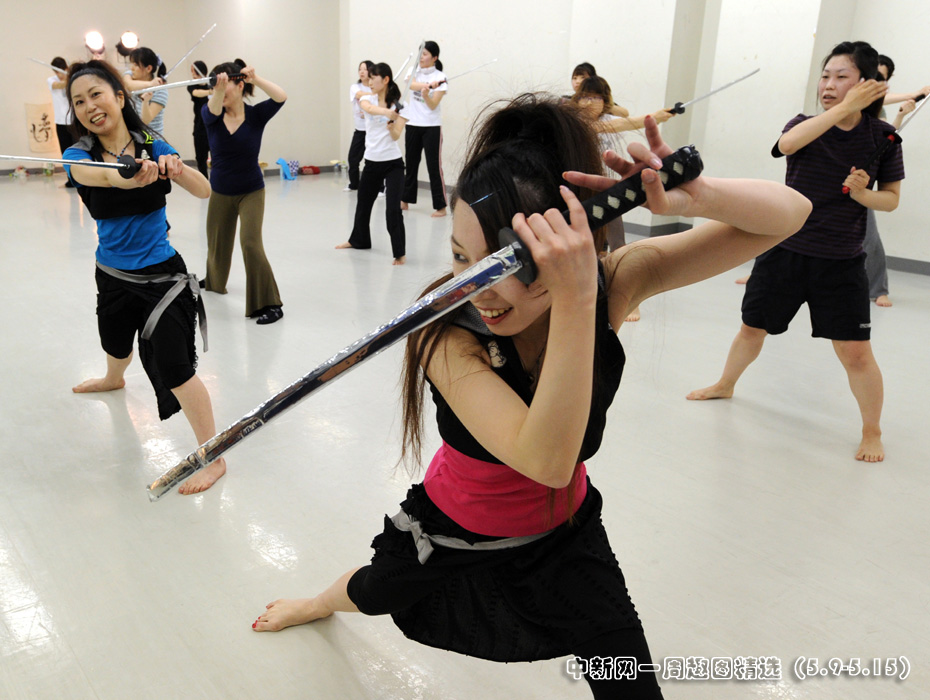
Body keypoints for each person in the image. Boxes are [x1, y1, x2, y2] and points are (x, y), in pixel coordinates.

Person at [253, 94, 811, 698]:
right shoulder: (447, 336)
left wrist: (699, 199)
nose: (480, 289)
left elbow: (791, 214)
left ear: (570, 249)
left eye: (508, 265)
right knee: (373, 590)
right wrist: (574, 297)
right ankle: (317, 602)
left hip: (565, 533)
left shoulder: (608, 283)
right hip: (455, 531)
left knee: (629, 682)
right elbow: (543, 459)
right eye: (463, 258)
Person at [688, 41, 902, 464]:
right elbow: (786, 145)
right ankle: (725, 384)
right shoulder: (806, 125)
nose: (828, 84)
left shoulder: (884, 138)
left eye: (841, 77)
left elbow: (891, 199)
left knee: (856, 354)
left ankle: (872, 431)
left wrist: (863, 195)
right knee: (752, 329)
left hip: (841, 262)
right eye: (825, 76)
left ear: (865, 83)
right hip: (783, 249)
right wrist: (843, 109)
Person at [61, 59, 225, 495]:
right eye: (79, 101)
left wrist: (177, 167)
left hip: (161, 278)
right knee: (114, 343)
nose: (89, 106)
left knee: (175, 368)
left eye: (96, 94)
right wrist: (128, 177)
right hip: (112, 272)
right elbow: (90, 176)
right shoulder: (78, 154)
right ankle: (114, 377)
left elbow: (204, 190)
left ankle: (214, 456)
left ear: (119, 97)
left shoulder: (152, 142)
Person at [202, 60, 287, 324]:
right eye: (215, 86)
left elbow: (281, 96)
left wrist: (256, 79)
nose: (218, 90)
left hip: (251, 191)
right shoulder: (211, 114)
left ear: (240, 86)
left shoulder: (256, 115)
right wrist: (219, 88)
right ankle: (214, 281)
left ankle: (270, 303)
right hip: (220, 191)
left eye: (225, 85)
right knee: (217, 242)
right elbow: (212, 107)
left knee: (250, 243)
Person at [860, 54, 928, 307]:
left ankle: (878, 289)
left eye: (882, 80)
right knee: (794, 221)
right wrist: (913, 93)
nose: (877, 84)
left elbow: (887, 136)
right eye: (873, 76)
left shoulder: (879, 111)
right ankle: (764, 273)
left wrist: (900, 114)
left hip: (859, 180)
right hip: (826, 175)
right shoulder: (844, 100)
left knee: (868, 235)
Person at [336, 63, 408, 265]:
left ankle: (399, 253)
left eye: (373, 77)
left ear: (385, 80)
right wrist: (386, 113)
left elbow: (396, 136)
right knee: (363, 204)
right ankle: (358, 240)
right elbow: (368, 108)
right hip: (372, 162)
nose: (369, 81)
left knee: (393, 210)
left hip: (393, 164)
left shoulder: (401, 105)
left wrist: (392, 127)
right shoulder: (367, 99)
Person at [401, 42, 448, 217]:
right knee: (411, 164)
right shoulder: (413, 71)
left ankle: (441, 206)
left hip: (431, 127)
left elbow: (433, 104)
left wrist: (427, 95)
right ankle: (405, 200)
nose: (421, 57)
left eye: (425, 54)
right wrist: (426, 86)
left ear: (435, 58)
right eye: (420, 53)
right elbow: (409, 85)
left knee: (434, 167)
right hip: (413, 124)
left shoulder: (441, 77)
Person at [123, 47, 168, 135]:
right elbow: (128, 85)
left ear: (148, 69)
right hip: (134, 138)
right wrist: (150, 84)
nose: (132, 68)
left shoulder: (160, 91)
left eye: (136, 65)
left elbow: (145, 121)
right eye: (131, 64)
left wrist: (145, 102)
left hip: (152, 140)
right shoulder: (130, 75)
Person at [345, 60, 375, 192]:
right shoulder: (355, 87)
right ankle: (354, 184)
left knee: (374, 160)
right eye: (360, 69)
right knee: (353, 158)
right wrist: (375, 93)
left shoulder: (374, 87)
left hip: (372, 131)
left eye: (365, 69)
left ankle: (380, 187)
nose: (362, 72)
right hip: (360, 130)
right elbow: (359, 95)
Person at [48, 57, 75, 187]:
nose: (59, 75)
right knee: (65, 152)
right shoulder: (51, 80)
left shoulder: (73, 79)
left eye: (61, 71)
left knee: (79, 150)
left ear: (66, 68)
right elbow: (58, 85)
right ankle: (71, 179)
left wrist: (71, 76)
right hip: (61, 123)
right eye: (57, 72)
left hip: (74, 122)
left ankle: (82, 178)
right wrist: (70, 77)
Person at [187, 60, 211, 177]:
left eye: (194, 71)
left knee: (217, 157)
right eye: (191, 71)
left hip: (212, 128)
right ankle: (205, 182)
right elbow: (196, 93)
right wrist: (210, 92)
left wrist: (212, 89)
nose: (192, 74)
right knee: (201, 159)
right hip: (199, 128)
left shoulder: (211, 83)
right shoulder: (192, 85)